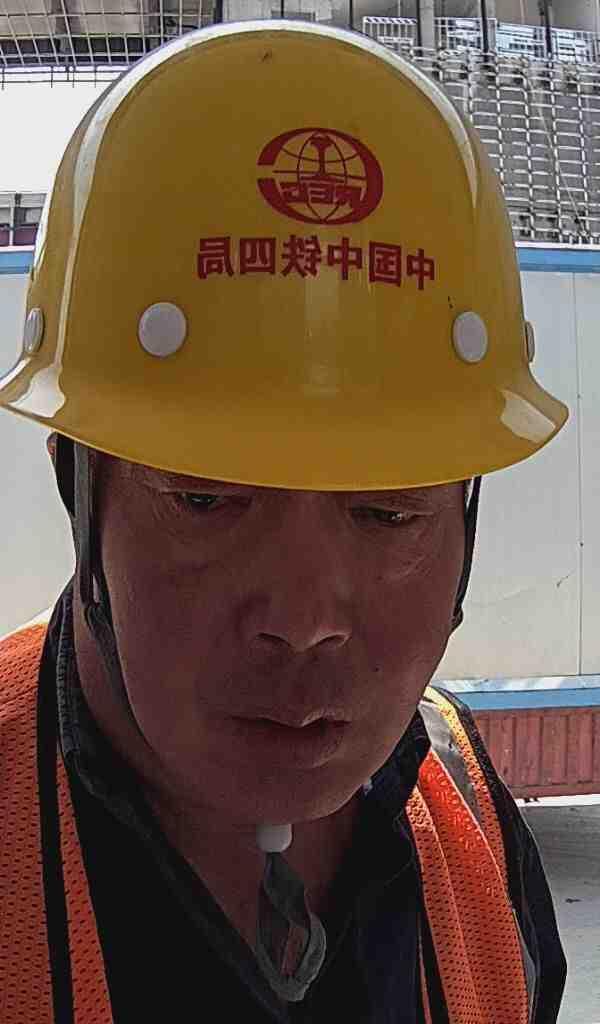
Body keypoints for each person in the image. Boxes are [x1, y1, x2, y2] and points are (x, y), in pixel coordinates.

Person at [0, 19, 568, 1024]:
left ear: (465, 519)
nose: (303, 620)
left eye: (388, 512)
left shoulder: (468, 816)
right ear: (76, 489)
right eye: (206, 500)